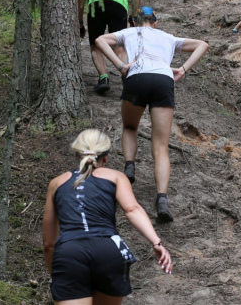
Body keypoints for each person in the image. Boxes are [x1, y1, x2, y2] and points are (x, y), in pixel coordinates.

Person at [95, 7, 210, 222]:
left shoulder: (127, 33)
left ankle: (130, 166)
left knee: (130, 127)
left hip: (136, 77)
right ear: (155, 22)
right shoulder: (168, 37)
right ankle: (162, 200)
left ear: (134, 22)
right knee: (161, 146)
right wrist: (182, 69)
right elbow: (202, 45)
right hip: (163, 80)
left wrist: (120, 66)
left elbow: (100, 40)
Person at [43, 129, 173, 305]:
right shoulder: (116, 177)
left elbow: (49, 244)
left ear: (76, 155)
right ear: (105, 158)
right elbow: (133, 209)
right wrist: (156, 243)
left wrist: (56, 273)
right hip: (109, 251)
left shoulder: (57, 183)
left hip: (70, 253)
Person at [78, 0, 140, 94]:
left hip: (96, 6)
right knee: (119, 46)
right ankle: (125, 76)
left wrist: (80, 22)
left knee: (95, 44)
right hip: (118, 6)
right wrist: (134, 15)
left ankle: (103, 78)